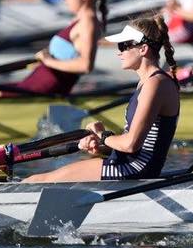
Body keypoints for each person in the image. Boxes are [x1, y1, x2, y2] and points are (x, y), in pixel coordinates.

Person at [24, 16, 180, 182]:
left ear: (143, 49)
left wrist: (103, 135)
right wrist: (102, 145)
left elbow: (131, 144)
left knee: (38, 180)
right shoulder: (150, 82)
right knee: (40, 178)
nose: (119, 52)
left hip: (133, 169)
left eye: (124, 45)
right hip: (132, 165)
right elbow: (136, 146)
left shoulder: (155, 84)